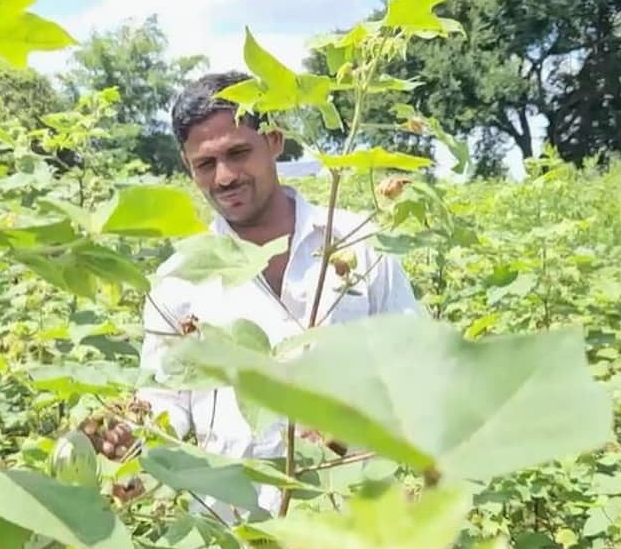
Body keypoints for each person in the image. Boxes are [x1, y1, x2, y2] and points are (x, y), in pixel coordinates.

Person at [134, 70, 422, 523]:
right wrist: (130, 437)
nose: (225, 176)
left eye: (238, 152)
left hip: (353, 524)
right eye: (205, 164)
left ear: (274, 140)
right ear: (188, 167)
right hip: (230, 537)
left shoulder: (359, 244)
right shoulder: (179, 279)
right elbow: (164, 398)